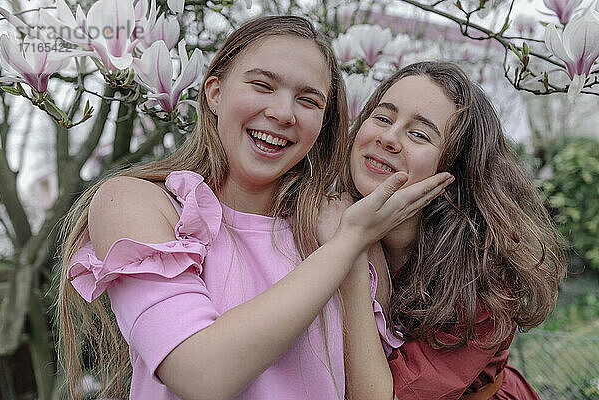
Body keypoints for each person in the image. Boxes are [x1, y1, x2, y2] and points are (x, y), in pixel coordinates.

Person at [57, 17, 454, 400]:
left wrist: (350, 245)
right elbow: (199, 374)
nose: (283, 113)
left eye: (308, 101)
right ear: (214, 92)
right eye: (262, 85)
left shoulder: (338, 227)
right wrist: (348, 243)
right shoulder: (138, 203)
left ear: (323, 122)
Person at [326, 61, 566, 399]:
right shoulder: (319, 211)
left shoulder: (481, 277)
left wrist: (349, 249)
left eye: (419, 134)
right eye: (382, 117)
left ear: (456, 167)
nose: (388, 138)